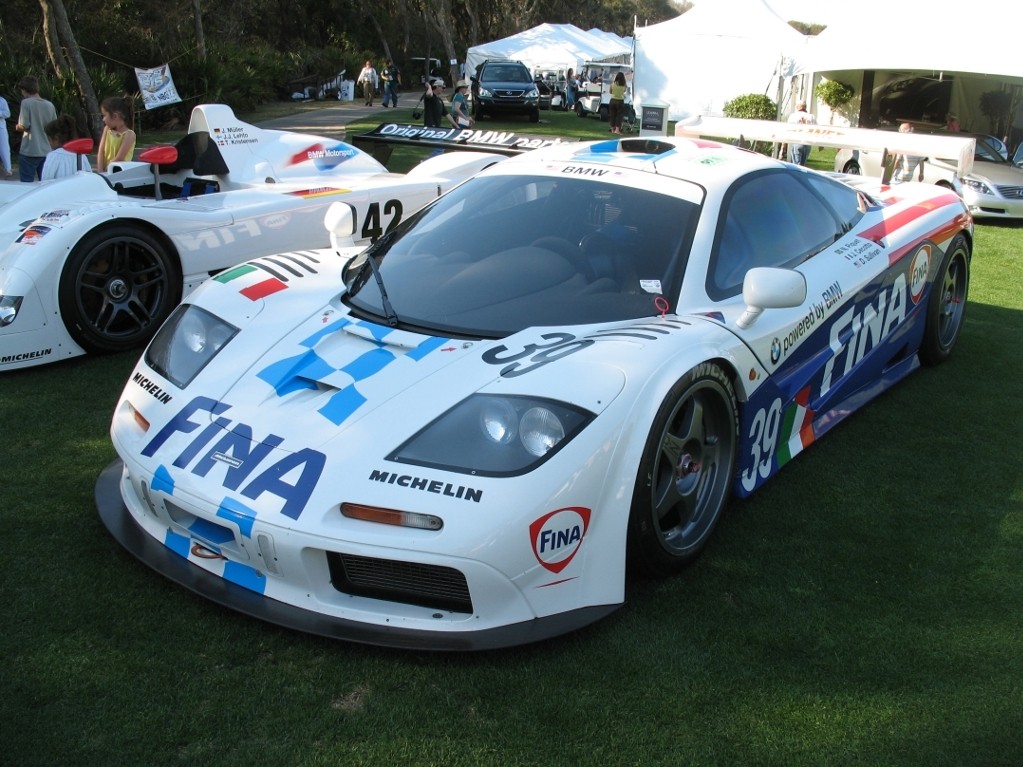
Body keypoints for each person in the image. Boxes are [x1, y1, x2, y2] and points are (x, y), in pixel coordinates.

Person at [14, 75, 57, 182]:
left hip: (30, 150)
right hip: (46, 149)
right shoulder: (50, 105)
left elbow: (24, 125)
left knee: (26, 183)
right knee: (46, 182)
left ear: (24, 89)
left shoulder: (26, 103)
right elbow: (55, 126)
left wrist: (17, 127)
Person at [41, 114, 91, 180]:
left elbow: (45, 181)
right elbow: (89, 177)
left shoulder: (53, 156)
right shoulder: (82, 156)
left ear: (56, 138)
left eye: (49, 140)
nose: (49, 143)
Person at [95, 96, 136, 173]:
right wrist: (100, 171)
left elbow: (119, 158)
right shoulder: (107, 129)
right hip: (105, 172)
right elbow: (101, 152)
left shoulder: (129, 134)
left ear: (115, 116)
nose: (103, 119)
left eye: (104, 115)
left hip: (119, 173)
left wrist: (108, 170)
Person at [787, 101, 815, 165]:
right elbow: (817, 129)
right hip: (808, 143)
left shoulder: (793, 116)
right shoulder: (811, 116)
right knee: (803, 165)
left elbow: (788, 129)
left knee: (796, 165)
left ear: (797, 107)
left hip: (797, 141)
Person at [0, 93, 11, 178]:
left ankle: (8, 169)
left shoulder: (2, 100)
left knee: (4, 149)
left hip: (1, 128)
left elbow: (7, 114)